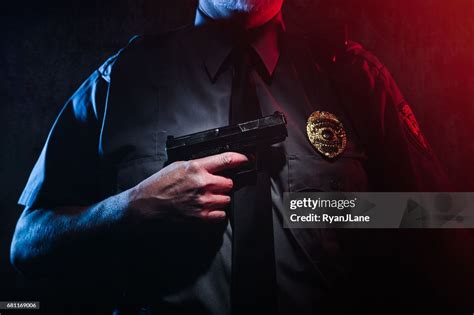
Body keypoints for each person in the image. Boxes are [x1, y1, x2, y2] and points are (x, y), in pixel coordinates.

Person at [10, 0, 452, 314]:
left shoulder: (353, 77)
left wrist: (326, 207)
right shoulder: (122, 79)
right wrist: (133, 207)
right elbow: (27, 245)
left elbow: (443, 219)